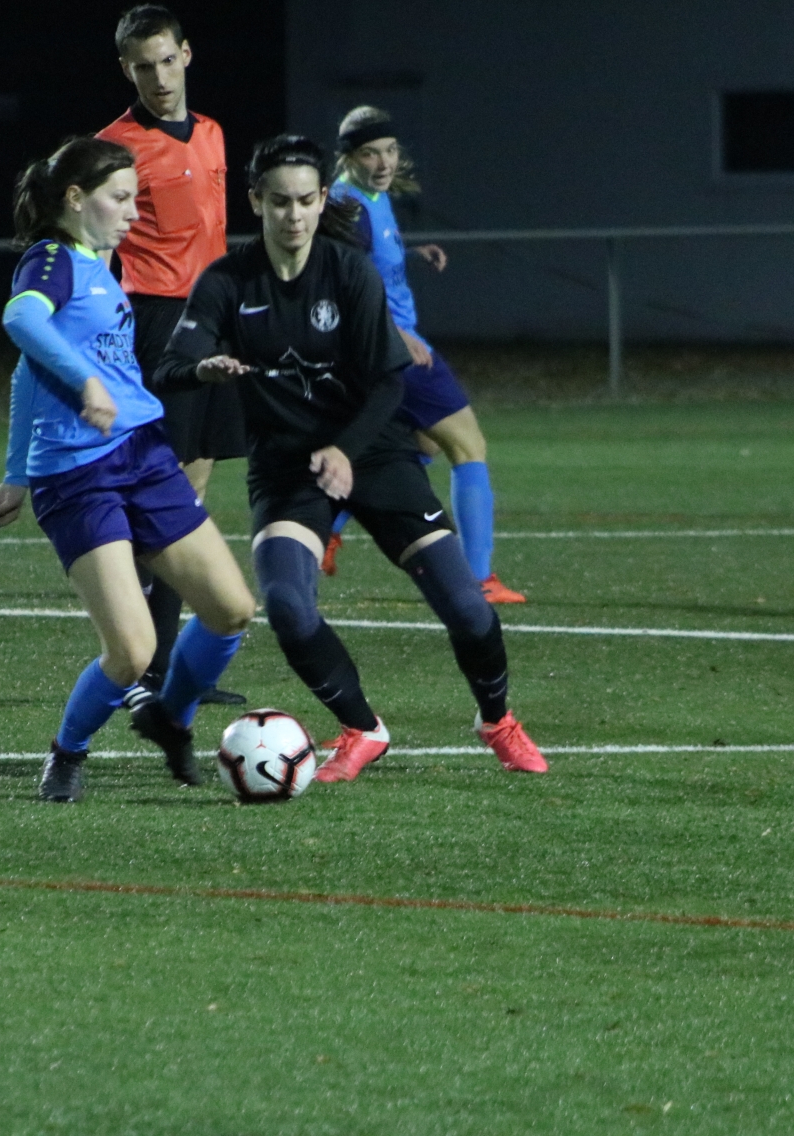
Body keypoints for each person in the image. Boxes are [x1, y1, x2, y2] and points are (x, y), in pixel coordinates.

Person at [154, 134, 547, 783]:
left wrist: (345, 448)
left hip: (375, 450)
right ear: (256, 202)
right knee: (287, 605)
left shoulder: (349, 273)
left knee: (468, 607)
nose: (294, 214)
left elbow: (389, 382)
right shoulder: (227, 281)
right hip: (287, 466)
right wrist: (204, 368)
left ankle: (496, 720)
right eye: (280, 201)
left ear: (320, 201)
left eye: (305, 200)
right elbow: (171, 365)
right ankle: (364, 729)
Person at [0, 137, 256, 803]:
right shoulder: (51, 259)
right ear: (75, 199)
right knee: (130, 651)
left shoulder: (102, 264)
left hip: (143, 455)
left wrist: (14, 469)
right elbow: (21, 321)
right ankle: (67, 753)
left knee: (232, 610)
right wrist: (80, 390)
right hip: (78, 475)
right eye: (120, 198)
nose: (133, 212)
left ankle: (171, 720)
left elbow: (26, 372)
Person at [96, 4, 249, 706]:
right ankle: (141, 666)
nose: (158, 78)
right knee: (161, 500)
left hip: (213, 321)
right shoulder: (114, 147)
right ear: (125, 70)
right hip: (158, 321)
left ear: (186, 55)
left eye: (166, 60)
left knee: (192, 492)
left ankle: (166, 669)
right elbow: (95, 243)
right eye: (142, 67)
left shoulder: (212, 132)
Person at [321, 107, 527, 604]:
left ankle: (328, 525)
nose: (384, 162)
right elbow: (343, 286)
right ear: (348, 156)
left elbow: (371, 263)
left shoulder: (370, 197)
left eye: (390, 150)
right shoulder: (347, 208)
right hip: (393, 346)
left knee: (423, 443)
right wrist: (395, 333)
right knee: (469, 446)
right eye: (370, 153)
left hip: (387, 343)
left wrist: (411, 254)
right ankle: (478, 579)